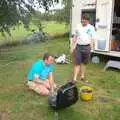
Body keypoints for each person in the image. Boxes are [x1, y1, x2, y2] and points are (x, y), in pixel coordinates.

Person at [71, 14, 96, 82]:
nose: (83, 23)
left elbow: (93, 38)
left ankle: (82, 76)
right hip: (78, 47)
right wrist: (72, 47)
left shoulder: (91, 28)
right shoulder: (78, 26)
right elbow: (75, 37)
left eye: (85, 22)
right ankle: (74, 79)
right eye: (82, 21)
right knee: (77, 63)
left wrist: (92, 47)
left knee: (84, 63)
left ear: (88, 21)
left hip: (87, 47)